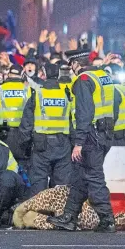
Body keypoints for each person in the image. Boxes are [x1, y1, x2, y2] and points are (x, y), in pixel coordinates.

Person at [47, 49, 116, 233]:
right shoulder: (103, 76)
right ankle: (70, 216)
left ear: (76, 64)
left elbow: (84, 114)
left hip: (90, 137)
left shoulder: (83, 81)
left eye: (71, 66)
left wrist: (78, 143)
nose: (71, 69)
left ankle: (107, 218)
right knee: (79, 177)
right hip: (104, 133)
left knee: (94, 177)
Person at [19, 63, 73, 197]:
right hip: (63, 144)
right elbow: (73, 120)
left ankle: (39, 214)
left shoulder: (37, 94)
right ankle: (60, 214)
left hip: (41, 145)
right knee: (61, 185)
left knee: (39, 183)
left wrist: (25, 145)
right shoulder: (66, 94)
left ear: (44, 74)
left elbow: (26, 124)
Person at [0, 64, 31, 169]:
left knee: (4, 167)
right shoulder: (29, 90)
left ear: (9, 74)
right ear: (22, 75)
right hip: (24, 136)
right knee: (23, 169)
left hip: (3, 135)